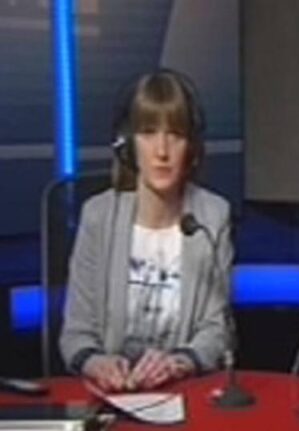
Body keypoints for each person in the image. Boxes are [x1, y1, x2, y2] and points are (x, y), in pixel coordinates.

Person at [60, 69, 233, 392]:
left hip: (182, 393)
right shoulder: (98, 217)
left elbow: (216, 330)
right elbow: (76, 333)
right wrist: (96, 362)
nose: (162, 151)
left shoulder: (212, 216)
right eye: (148, 133)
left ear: (192, 147)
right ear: (127, 145)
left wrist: (180, 362)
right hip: (111, 393)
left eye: (175, 134)